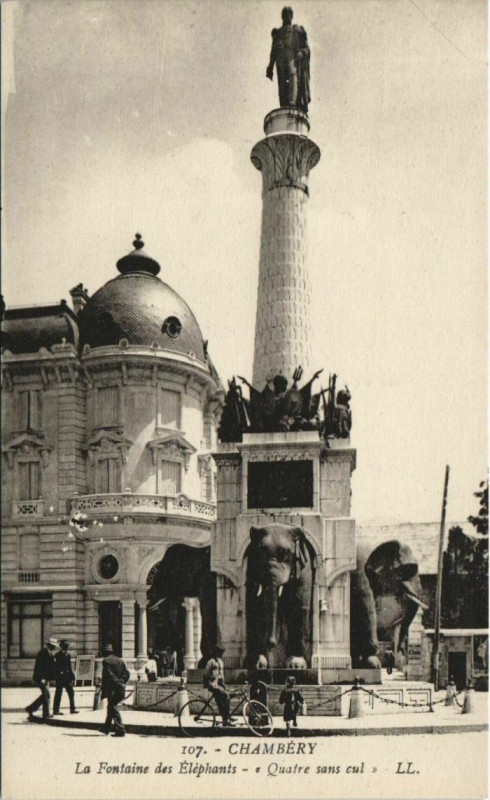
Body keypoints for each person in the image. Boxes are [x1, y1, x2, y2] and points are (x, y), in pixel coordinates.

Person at [266, 7, 311, 114]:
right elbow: (273, 51)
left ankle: (292, 102)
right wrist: (270, 67)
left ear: (292, 16)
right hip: (280, 59)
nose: (287, 16)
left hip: (292, 58)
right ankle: (283, 104)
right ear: (282, 16)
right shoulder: (278, 33)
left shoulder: (297, 30)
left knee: (292, 75)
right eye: (285, 14)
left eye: (289, 14)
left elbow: (307, 48)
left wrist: (301, 53)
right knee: (282, 81)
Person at [100, 643, 130, 737]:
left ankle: (120, 729)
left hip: (112, 688)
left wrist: (117, 682)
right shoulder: (119, 660)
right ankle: (106, 728)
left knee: (113, 707)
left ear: (104, 652)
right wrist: (122, 681)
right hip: (120, 687)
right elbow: (127, 673)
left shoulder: (106, 661)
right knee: (111, 706)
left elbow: (109, 675)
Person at [25, 637, 59, 720]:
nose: (54, 647)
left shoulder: (49, 654)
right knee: (46, 695)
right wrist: (42, 678)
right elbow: (39, 667)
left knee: (45, 695)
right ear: (49, 645)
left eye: (54, 646)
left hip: (45, 678)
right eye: (53, 646)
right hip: (40, 678)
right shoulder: (43, 653)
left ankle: (31, 708)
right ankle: (45, 714)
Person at [203, 644, 232, 725]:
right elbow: (206, 674)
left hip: (219, 685)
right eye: (220, 652)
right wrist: (209, 684)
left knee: (222, 701)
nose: (221, 654)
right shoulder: (211, 662)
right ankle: (227, 717)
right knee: (226, 695)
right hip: (212, 685)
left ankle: (225, 719)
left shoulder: (220, 662)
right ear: (215, 652)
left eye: (222, 652)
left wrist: (224, 685)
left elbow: (221, 676)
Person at [53, 640, 78, 714]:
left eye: (67, 646)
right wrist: (58, 673)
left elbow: (69, 666)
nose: (66, 648)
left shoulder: (68, 655)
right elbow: (55, 667)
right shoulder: (57, 655)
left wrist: (72, 675)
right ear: (61, 647)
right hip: (60, 677)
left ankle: (72, 709)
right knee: (58, 694)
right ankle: (56, 710)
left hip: (67, 677)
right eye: (65, 646)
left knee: (71, 692)